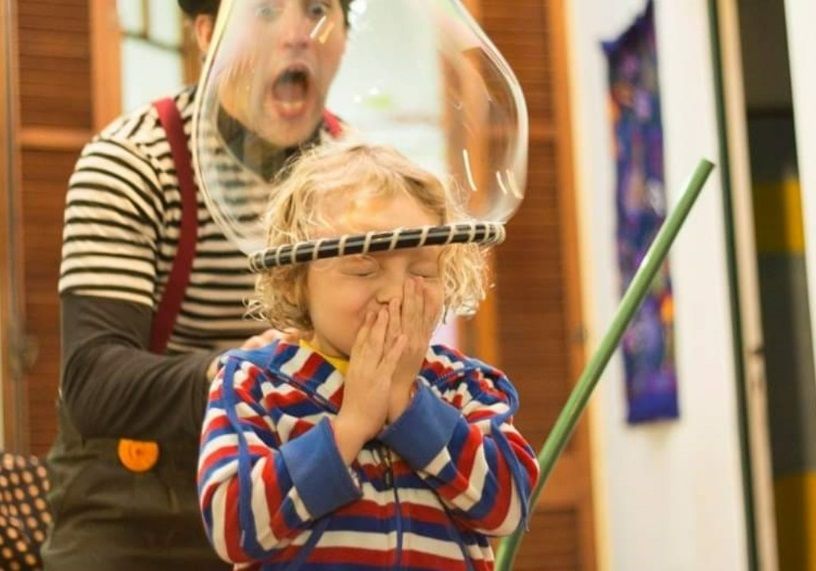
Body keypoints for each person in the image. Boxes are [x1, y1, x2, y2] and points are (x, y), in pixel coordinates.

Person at [42, 1, 352, 569]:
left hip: (297, 482)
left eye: (316, 9)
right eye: (264, 10)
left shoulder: (356, 175)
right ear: (207, 33)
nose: (297, 34)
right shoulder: (136, 159)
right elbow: (92, 381)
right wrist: (237, 375)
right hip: (138, 503)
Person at [198, 142, 540, 570]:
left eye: (423, 271)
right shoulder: (255, 383)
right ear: (294, 281)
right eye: (363, 269)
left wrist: (407, 402)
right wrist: (351, 425)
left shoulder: (462, 385)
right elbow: (234, 527)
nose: (396, 294)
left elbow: (508, 509)